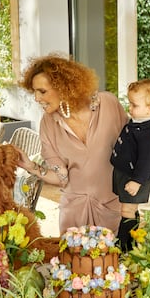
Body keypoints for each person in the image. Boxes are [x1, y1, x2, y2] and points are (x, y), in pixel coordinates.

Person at [16, 54, 129, 235]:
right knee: (71, 263)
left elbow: (136, 141)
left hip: (114, 208)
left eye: (42, 91)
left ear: (64, 88)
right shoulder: (48, 123)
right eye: (34, 91)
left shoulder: (107, 104)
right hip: (74, 216)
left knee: (118, 261)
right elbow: (61, 177)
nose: (36, 98)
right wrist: (30, 166)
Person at [110, 79, 150, 251]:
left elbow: (146, 161)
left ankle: (123, 246)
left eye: (134, 105)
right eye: (129, 103)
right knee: (129, 209)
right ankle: (132, 242)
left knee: (127, 210)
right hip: (126, 171)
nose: (130, 108)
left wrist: (137, 181)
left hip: (135, 177)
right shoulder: (140, 120)